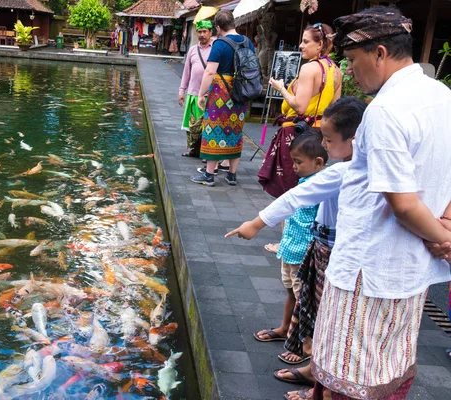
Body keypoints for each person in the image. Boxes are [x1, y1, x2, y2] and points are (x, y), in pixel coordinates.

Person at [310, 7, 451, 400]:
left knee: (349, 376)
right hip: (411, 268)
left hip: (368, 267)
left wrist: (442, 237)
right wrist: (444, 230)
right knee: (390, 367)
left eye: (353, 61)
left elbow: (402, 203)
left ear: (380, 53)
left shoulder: (386, 110)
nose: (351, 73)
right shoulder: (442, 95)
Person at [226, 97, 366, 400]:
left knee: (329, 321)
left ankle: (322, 387)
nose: (325, 147)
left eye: (328, 140)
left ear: (353, 139)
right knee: (318, 312)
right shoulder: (350, 168)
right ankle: (316, 372)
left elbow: (295, 198)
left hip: (337, 256)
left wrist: (256, 223)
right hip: (324, 248)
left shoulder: (342, 172)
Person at [231, 131, 328, 341]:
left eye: (298, 162)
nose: (294, 167)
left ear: (318, 163)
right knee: (292, 292)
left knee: (305, 299)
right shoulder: (304, 182)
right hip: (290, 249)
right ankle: (285, 328)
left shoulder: (321, 187)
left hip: (304, 253)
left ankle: (307, 342)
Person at [258, 23, 341, 198]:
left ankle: (288, 225)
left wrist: (281, 89)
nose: (301, 46)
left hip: (297, 134)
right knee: (310, 189)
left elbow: (300, 106)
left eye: (305, 41)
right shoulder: (335, 70)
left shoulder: (309, 68)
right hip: (318, 135)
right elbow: (334, 107)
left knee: (289, 192)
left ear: (319, 45)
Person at [190, 10, 252, 186]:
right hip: (241, 91)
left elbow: (210, 71)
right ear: (233, 23)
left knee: (213, 129)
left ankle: (209, 174)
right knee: (235, 130)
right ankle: (231, 174)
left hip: (221, 93)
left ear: (217, 27)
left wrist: (201, 94)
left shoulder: (219, 44)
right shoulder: (247, 42)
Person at [178, 20, 213, 158]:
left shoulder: (215, 49)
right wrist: (182, 91)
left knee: (207, 126)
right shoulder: (192, 50)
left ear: (210, 32)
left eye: (205, 31)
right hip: (193, 94)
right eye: (199, 32)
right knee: (191, 125)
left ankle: (206, 152)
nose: (202, 34)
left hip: (208, 95)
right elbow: (186, 72)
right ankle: (193, 149)